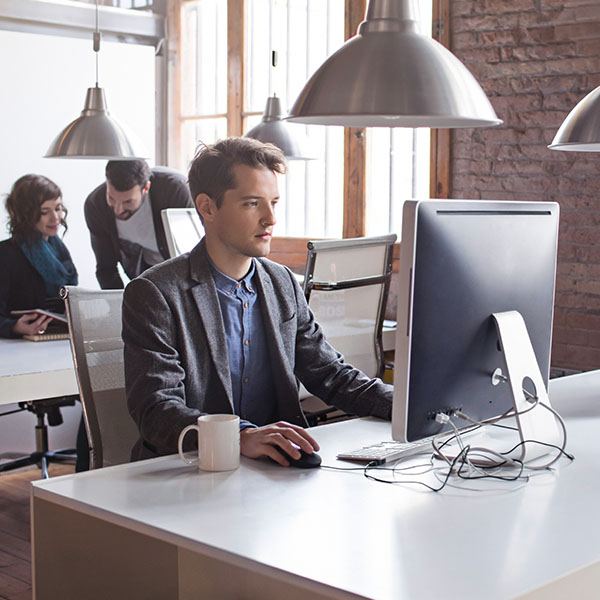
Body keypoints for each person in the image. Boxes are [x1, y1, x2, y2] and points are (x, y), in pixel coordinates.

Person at [122, 137, 393, 466]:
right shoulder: (155, 293)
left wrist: (408, 406)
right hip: (191, 472)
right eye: (252, 203)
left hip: (277, 470)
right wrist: (239, 436)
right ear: (207, 207)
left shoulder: (281, 283)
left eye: (273, 203)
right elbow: (156, 409)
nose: (270, 219)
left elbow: (331, 375)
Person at [84, 159, 193, 289]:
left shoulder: (174, 190)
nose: (118, 210)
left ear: (146, 188)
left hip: (180, 273)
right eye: (111, 198)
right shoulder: (96, 205)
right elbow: (106, 269)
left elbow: (192, 255)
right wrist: (120, 305)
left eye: (128, 202)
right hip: (145, 277)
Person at [0, 174, 78, 338]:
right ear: (27, 215)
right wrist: (14, 327)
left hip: (58, 340)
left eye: (57, 208)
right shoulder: (5, 254)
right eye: (44, 212)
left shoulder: (59, 248)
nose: (55, 218)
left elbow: (73, 291)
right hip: (18, 348)